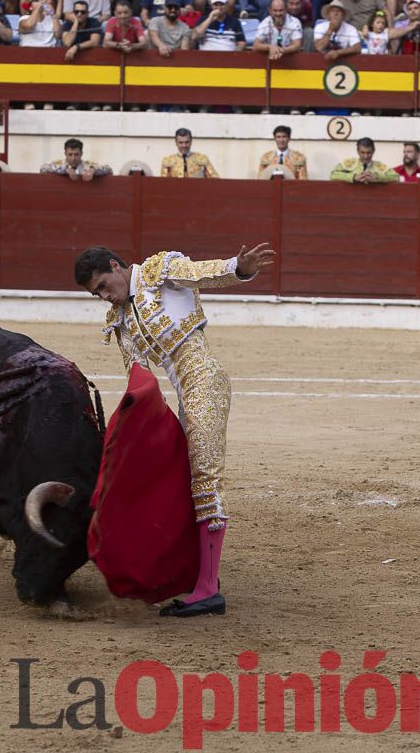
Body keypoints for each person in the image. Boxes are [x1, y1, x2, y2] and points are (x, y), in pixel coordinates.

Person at [73, 241, 276, 618]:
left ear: (116, 267)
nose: (103, 297)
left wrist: (240, 266)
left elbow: (205, 272)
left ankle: (208, 590)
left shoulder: (158, 272)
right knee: (179, 478)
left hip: (204, 381)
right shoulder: (123, 318)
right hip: (183, 393)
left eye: (103, 286)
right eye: (95, 294)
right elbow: (140, 378)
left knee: (204, 479)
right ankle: (196, 577)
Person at [330, 137, 397, 183]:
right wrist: (353, 177)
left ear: (373, 151)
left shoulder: (379, 166)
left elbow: (396, 177)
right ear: (357, 151)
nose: (366, 156)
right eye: (362, 152)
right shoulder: (349, 163)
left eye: (369, 153)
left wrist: (377, 177)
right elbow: (333, 175)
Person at [40, 137, 112, 178]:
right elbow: (43, 168)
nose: (73, 158)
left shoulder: (88, 165)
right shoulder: (59, 164)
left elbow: (109, 170)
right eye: (70, 154)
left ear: (81, 153)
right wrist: (65, 169)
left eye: (76, 154)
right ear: (65, 154)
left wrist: (93, 170)